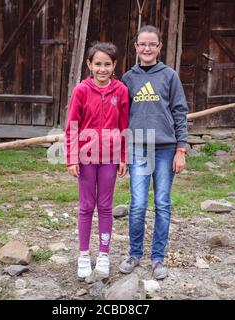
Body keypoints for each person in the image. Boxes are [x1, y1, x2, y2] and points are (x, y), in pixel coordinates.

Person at [119, 25, 189, 280]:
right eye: (142, 44)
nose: (147, 48)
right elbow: (121, 118)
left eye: (152, 44)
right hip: (138, 147)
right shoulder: (128, 79)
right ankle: (134, 253)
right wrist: (122, 153)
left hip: (165, 149)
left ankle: (158, 258)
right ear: (136, 47)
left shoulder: (169, 76)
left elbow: (180, 113)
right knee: (137, 204)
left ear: (159, 47)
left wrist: (180, 149)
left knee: (162, 203)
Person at [65, 42, 130, 279]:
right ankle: (83, 254)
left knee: (105, 207)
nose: (102, 69)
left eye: (107, 64)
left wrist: (123, 156)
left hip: (110, 158)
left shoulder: (121, 90)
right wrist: (72, 158)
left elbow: (124, 126)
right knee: (85, 207)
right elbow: (72, 126)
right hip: (85, 157)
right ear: (89, 65)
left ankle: (103, 253)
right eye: (98, 64)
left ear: (114, 65)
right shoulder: (81, 90)